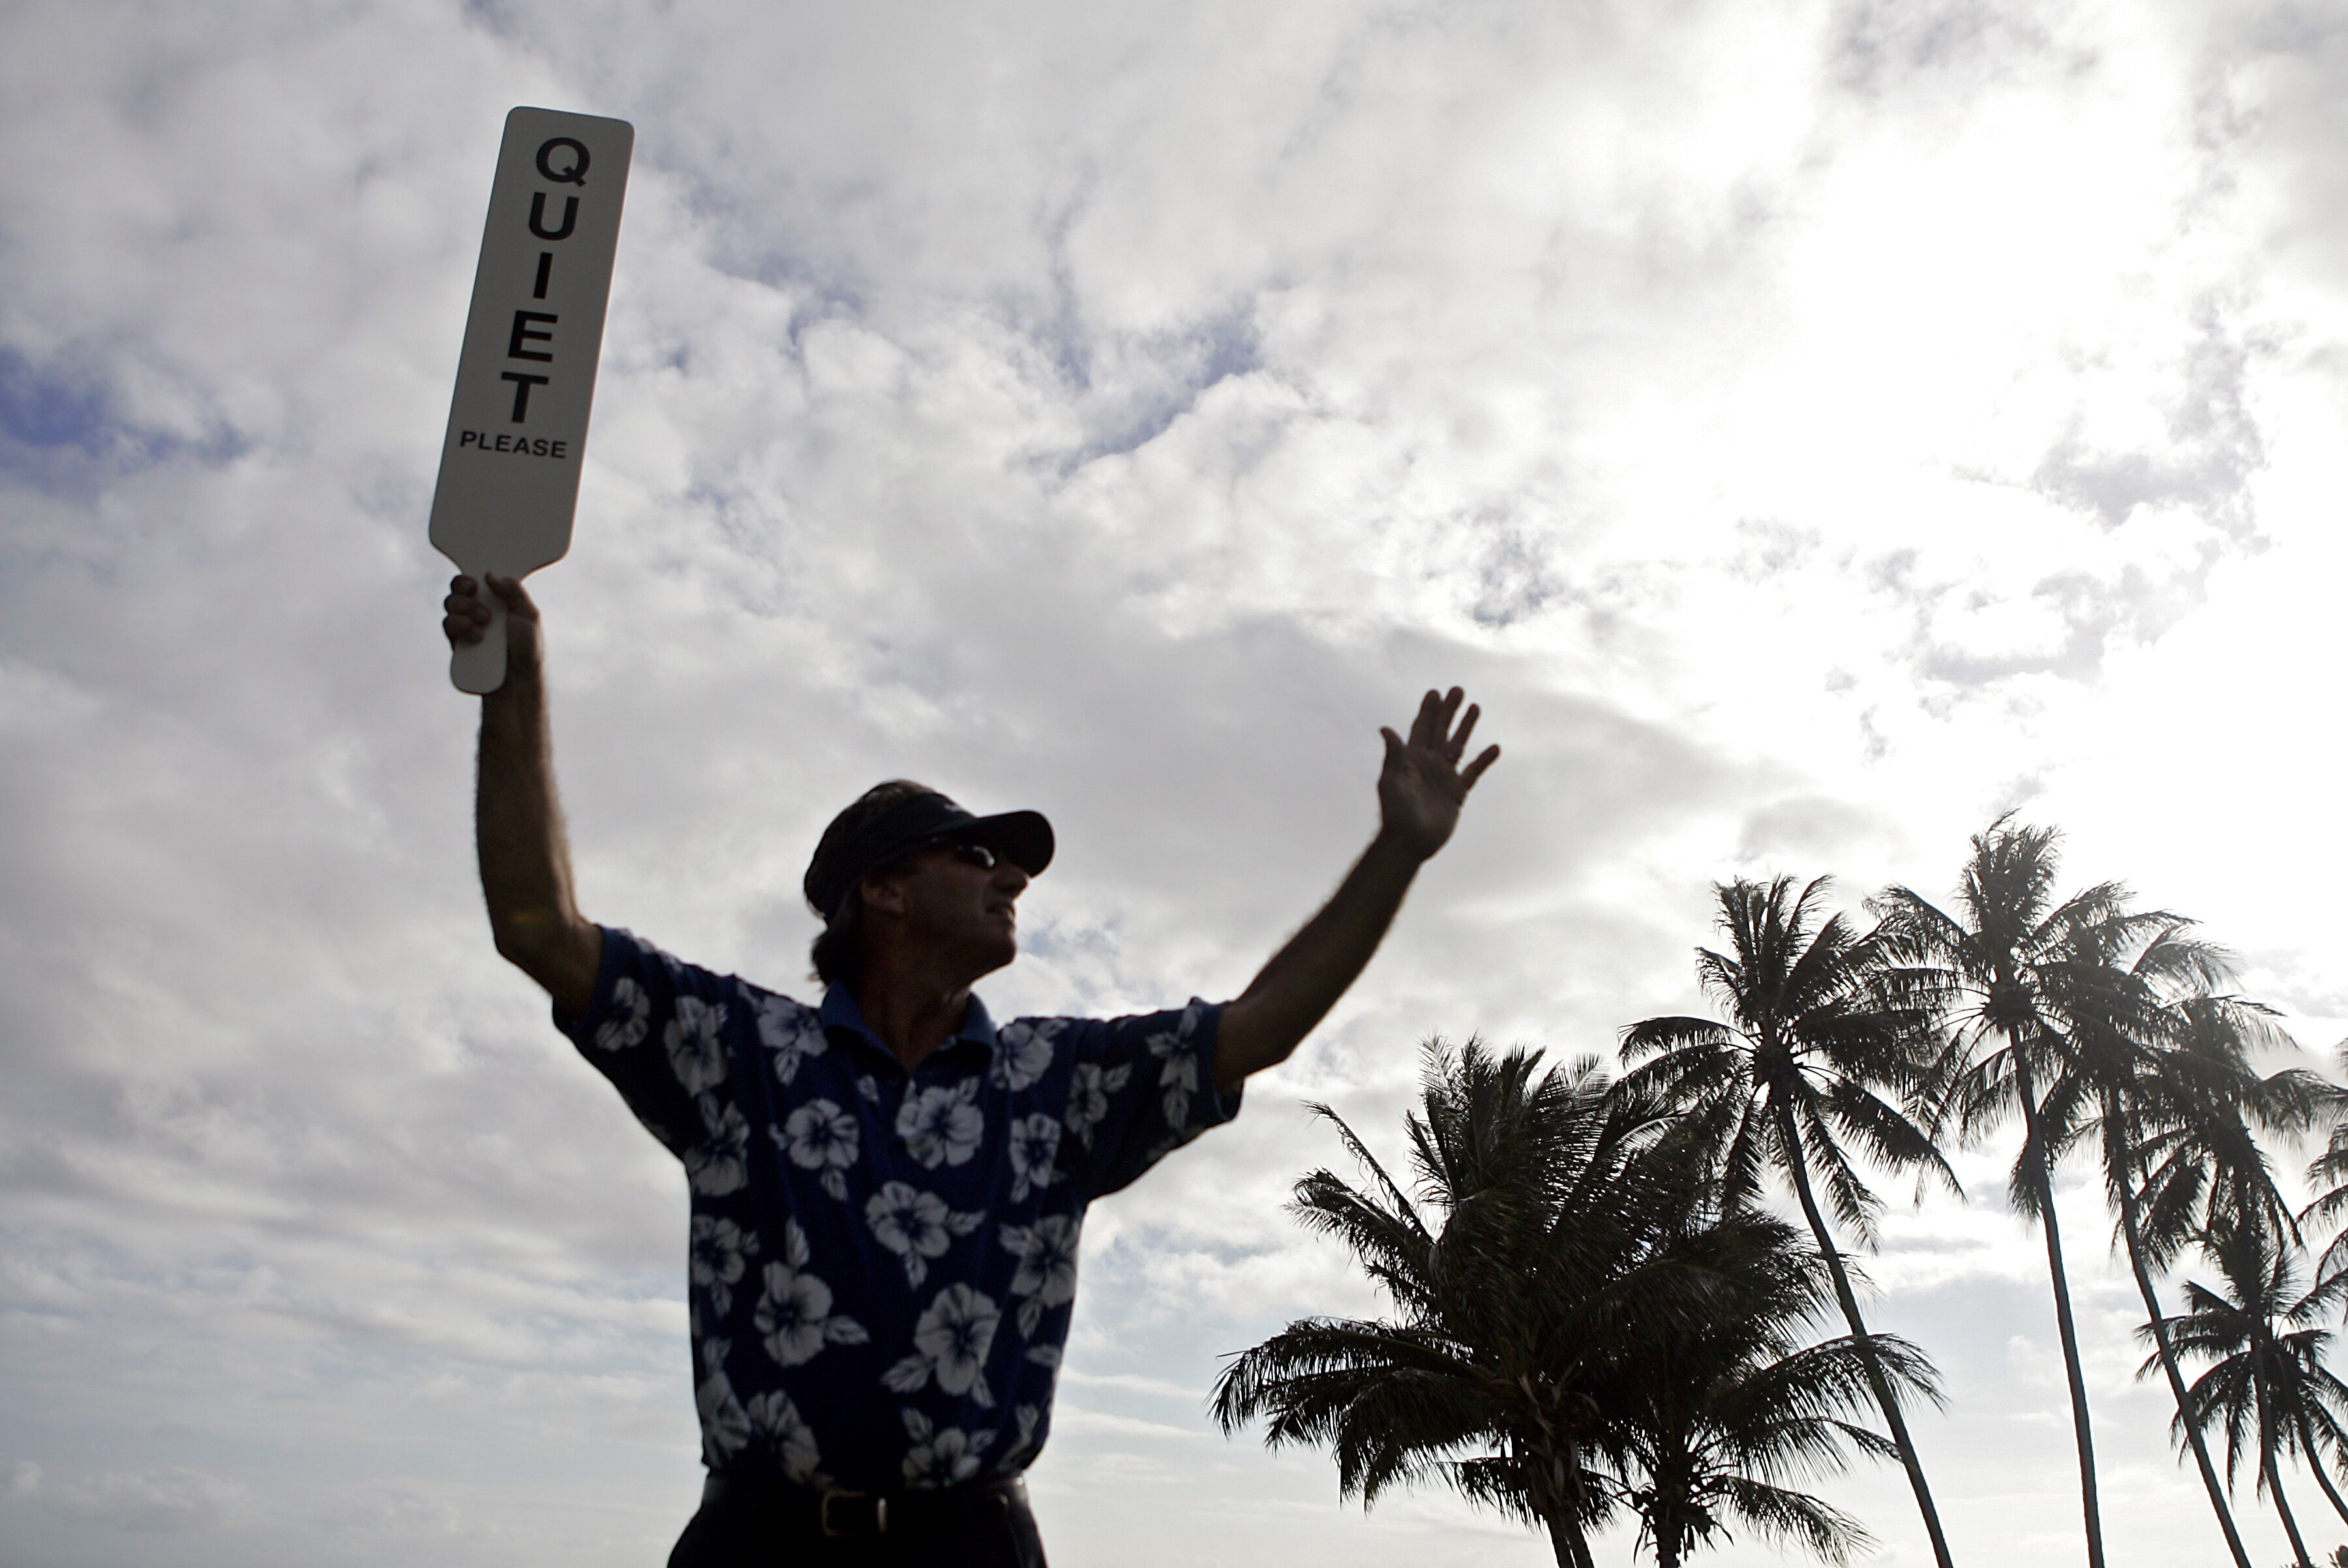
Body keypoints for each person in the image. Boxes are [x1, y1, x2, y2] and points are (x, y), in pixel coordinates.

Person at [442, 571, 1500, 1566]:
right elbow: (538, 926)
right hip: (756, 1546)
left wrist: (1398, 850)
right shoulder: (742, 1056)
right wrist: (518, 680)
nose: (1014, 880)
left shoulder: (1054, 1083)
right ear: (885, 892)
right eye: (976, 856)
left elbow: (1261, 1026)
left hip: (973, 1550)